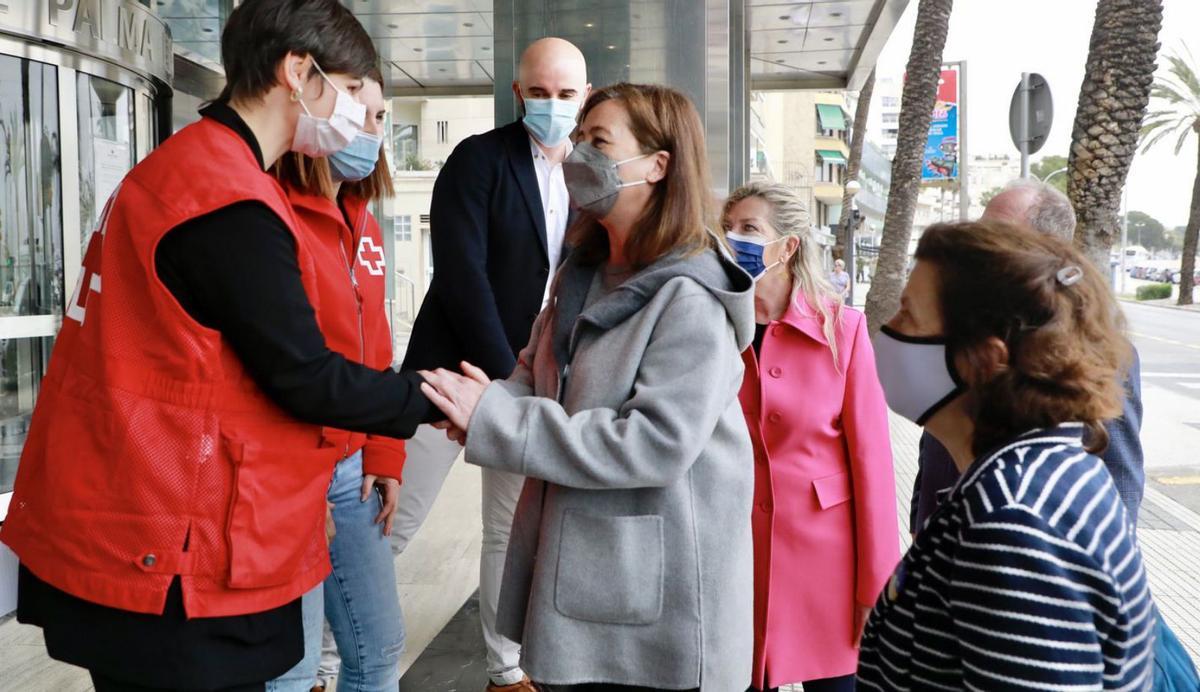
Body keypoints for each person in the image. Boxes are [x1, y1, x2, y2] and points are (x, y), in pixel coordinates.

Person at [0, 2, 434, 690]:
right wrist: (436, 399)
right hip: (172, 550)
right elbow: (304, 377)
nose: (355, 115)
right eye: (351, 92)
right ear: (298, 72)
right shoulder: (228, 201)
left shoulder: (181, 171)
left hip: (134, 527)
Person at [420, 83, 755, 692]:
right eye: (579, 139)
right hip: (579, 582)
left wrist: (496, 420)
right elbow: (534, 373)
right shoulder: (580, 272)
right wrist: (485, 406)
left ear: (659, 165)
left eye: (599, 141)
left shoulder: (691, 295)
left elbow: (654, 443)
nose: (577, 154)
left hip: (656, 610)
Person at [858, 219, 1156, 690]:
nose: (887, 331)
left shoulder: (1012, 519)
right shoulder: (1038, 474)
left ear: (985, 359)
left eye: (907, 314)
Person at [394, 36, 590, 692]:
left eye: (565, 94)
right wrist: (506, 375)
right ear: (517, 93)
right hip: (450, 375)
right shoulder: (478, 159)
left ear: (584, 96)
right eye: (539, 93)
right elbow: (460, 275)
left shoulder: (594, 175)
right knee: (394, 517)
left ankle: (507, 672)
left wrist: (535, 385)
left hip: (533, 387)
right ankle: (319, 662)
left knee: (507, 530)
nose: (552, 105)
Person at [722, 183, 898, 692]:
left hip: (828, 566)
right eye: (727, 229)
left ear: (789, 245)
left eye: (749, 230)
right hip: (734, 559)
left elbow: (873, 466)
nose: (734, 240)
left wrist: (876, 586)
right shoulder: (710, 329)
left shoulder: (843, 330)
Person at [269, 72, 405, 692]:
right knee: (291, 668)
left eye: (382, 119)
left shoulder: (364, 221)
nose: (374, 132)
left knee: (378, 648)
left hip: (354, 466)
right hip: (291, 470)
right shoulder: (274, 213)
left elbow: (375, 345)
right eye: (366, 116)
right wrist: (301, 485)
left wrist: (386, 451)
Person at [909, 178, 1145, 534]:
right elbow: (936, 444)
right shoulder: (961, 329)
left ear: (1045, 251)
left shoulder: (1102, 352)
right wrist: (920, 517)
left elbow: (1119, 478)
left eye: (997, 235)